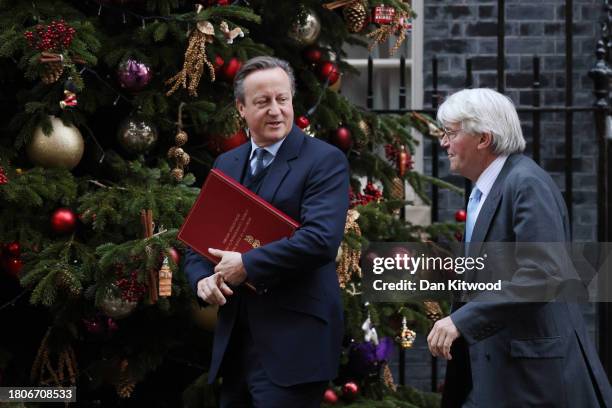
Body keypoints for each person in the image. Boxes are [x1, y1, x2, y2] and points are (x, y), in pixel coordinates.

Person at [427, 88, 612, 407]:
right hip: (497, 372)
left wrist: (462, 320)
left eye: (451, 133)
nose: (443, 143)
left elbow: (544, 275)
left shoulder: (526, 183)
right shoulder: (488, 189)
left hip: (533, 379)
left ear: (483, 138)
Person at [184, 56, 350, 407]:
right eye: (262, 102)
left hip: (295, 346)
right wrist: (202, 280)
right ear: (241, 109)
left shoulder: (325, 160)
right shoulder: (226, 163)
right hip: (235, 345)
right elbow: (197, 241)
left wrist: (247, 265)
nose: (275, 110)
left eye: (283, 99)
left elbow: (320, 240)